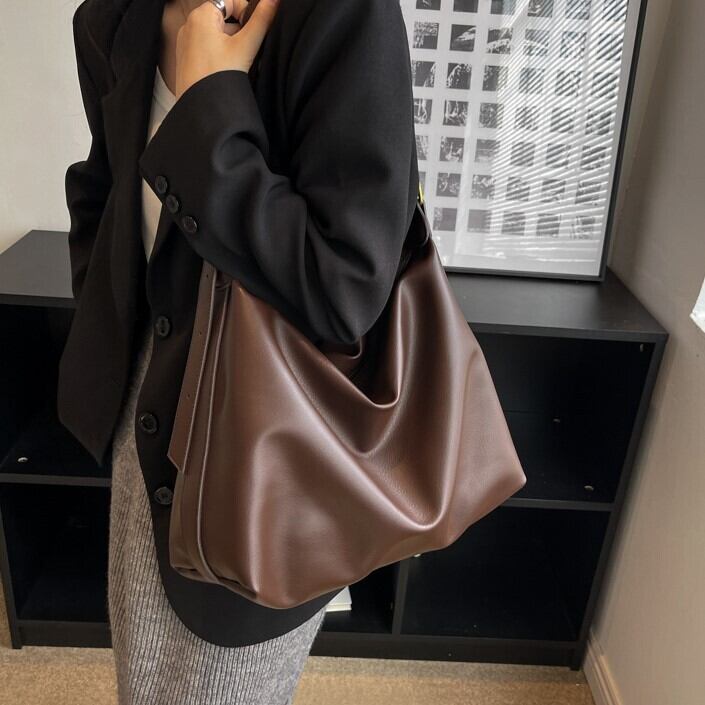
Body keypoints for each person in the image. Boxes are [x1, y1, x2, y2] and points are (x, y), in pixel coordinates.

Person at [59, 0, 419, 702]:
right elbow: (103, 186)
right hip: (147, 411)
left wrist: (211, 102)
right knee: (144, 678)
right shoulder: (109, 19)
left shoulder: (342, 17)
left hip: (274, 438)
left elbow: (344, 288)